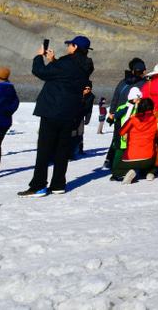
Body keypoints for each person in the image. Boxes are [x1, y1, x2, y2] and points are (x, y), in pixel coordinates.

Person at [19, 36, 95, 197]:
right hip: (70, 113)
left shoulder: (66, 63)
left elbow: (40, 72)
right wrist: (54, 61)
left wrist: (39, 56)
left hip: (52, 110)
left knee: (44, 150)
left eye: (69, 45)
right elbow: (65, 76)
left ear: (75, 47)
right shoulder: (86, 65)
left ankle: (38, 185)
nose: (68, 47)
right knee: (62, 150)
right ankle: (58, 184)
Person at [104, 58, 147, 169]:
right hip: (130, 116)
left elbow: (115, 98)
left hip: (120, 115)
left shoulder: (124, 82)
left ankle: (111, 161)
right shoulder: (143, 83)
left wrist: (112, 112)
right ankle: (117, 162)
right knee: (125, 140)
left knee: (118, 138)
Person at [112, 97, 158, 184]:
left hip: (130, 158)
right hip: (148, 158)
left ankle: (129, 172)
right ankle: (150, 172)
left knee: (116, 170)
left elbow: (122, 132)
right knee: (154, 154)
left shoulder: (133, 119)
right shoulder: (156, 120)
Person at [110, 87, 143, 178]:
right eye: (138, 98)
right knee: (119, 154)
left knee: (129, 155)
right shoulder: (124, 107)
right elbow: (116, 117)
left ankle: (127, 171)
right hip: (121, 136)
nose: (139, 100)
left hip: (133, 136)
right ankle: (116, 172)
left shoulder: (138, 109)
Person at [71, 83, 95, 159]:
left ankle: (80, 149)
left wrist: (87, 119)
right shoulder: (76, 94)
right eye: (86, 88)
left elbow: (89, 109)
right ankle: (71, 152)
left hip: (81, 117)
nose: (87, 90)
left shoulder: (91, 97)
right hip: (72, 116)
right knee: (73, 133)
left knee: (80, 133)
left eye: (89, 89)